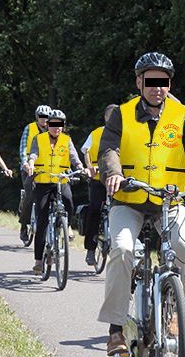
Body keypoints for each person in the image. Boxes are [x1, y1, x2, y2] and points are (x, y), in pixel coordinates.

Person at [97, 52, 185, 357]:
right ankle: (115, 330)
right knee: (123, 249)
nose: (157, 88)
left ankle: (171, 309)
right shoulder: (122, 114)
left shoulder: (183, 115)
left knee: (183, 247)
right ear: (139, 82)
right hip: (128, 199)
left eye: (162, 82)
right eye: (150, 81)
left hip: (168, 200)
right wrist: (114, 175)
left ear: (169, 84)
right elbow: (108, 149)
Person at [23, 109, 87, 274]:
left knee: (69, 201)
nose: (56, 128)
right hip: (43, 181)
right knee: (42, 220)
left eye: (60, 125)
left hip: (61, 180)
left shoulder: (67, 140)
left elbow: (74, 157)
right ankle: (38, 261)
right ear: (48, 125)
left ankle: (67, 225)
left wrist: (80, 168)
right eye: (53, 125)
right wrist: (30, 163)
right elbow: (34, 154)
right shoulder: (40, 138)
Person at [81, 104, 119, 265]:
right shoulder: (96, 133)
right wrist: (90, 167)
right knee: (94, 209)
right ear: (105, 118)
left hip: (117, 180)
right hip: (98, 179)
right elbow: (86, 151)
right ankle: (90, 248)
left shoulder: (125, 133)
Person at [18, 104, 52, 242]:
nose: (44, 120)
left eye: (47, 117)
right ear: (37, 117)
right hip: (30, 168)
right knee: (30, 195)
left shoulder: (53, 130)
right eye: (41, 117)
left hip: (48, 169)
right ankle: (24, 225)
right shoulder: (30, 128)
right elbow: (23, 147)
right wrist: (25, 162)